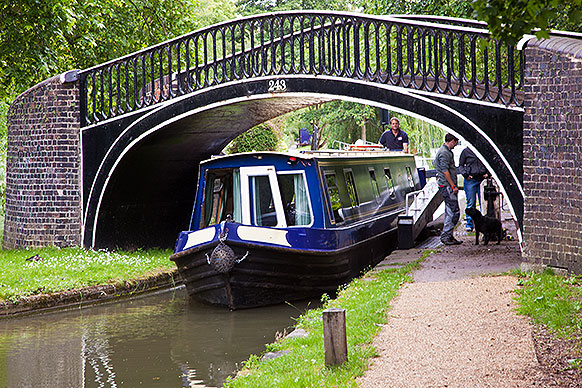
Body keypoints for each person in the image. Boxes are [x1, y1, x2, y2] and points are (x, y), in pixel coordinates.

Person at [434, 133, 462, 245]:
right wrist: (453, 186)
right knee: (454, 211)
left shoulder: (445, 151)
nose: (456, 145)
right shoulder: (444, 153)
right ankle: (446, 235)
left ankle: (449, 235)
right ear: (452, 141)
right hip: (447, 186)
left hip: (446, 186)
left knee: (449, 210)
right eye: (456, 142)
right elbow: (445, 171)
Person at [458, 147, 489, 232]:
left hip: (482, 178)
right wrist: (465, 174)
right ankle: (469, 224)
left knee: (484, 202)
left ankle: (483, 223)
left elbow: (489, 161)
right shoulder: (465, 152)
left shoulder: (483, 149)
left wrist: (488, 172)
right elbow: (460, 165)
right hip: (470, 179)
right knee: (471, 202)